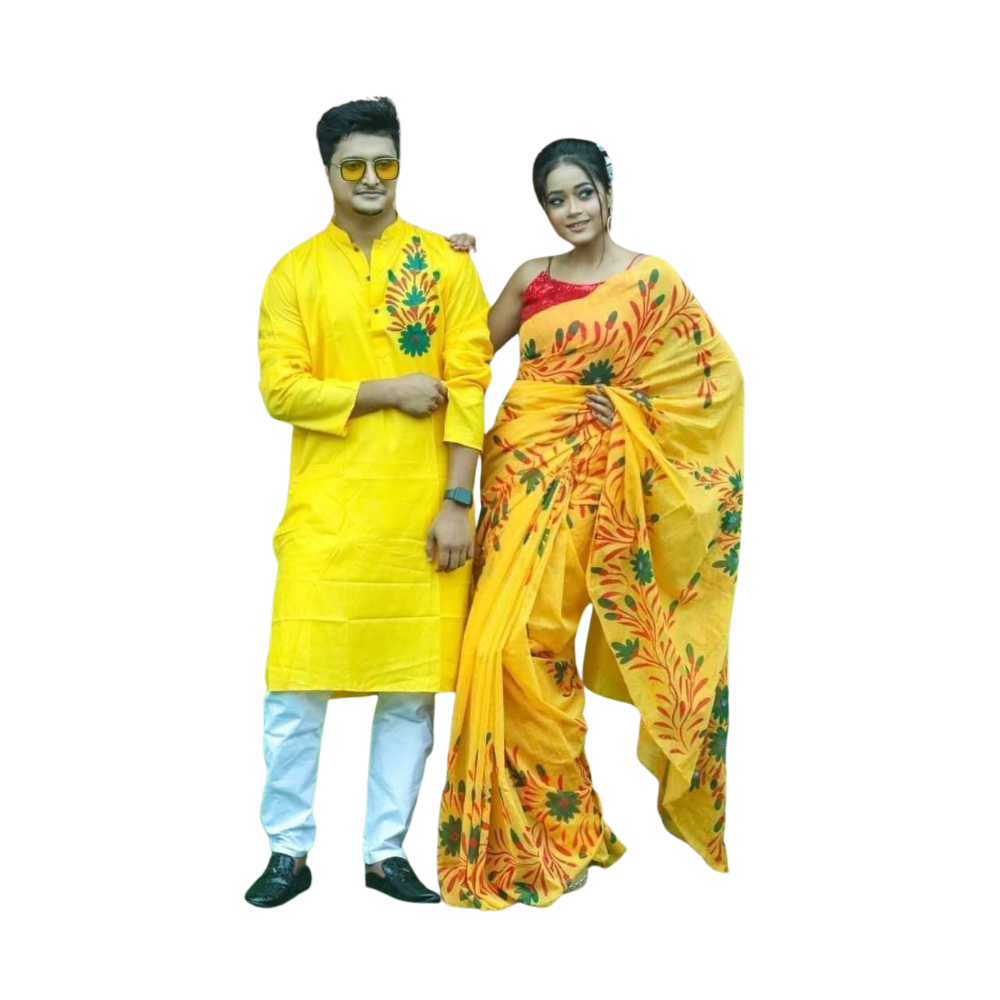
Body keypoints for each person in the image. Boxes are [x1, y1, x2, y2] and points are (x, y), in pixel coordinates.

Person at [437, 139, 744, 909]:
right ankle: (546, 831)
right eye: (555, 199)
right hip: (518, 471)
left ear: (608, 192)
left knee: (534, 641)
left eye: (582, 193)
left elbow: (715, 384)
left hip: (596, 482)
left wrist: (635, 409)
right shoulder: (531, 278)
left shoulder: (653, 280)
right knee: (491, 643)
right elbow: (463, 355)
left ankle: (562, 831)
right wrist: (443, 268)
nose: (571, 210)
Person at [245, 97, 492, 907]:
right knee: (295, 687)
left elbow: (468, 383)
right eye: (353, 165)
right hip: (327, 512)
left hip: (421, 507)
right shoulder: (293, 273)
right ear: (326, 170)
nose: (371, 179)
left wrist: (458, 499)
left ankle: (386, 854)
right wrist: (387, 390)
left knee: (409, 689)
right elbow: (281, 390)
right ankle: (287, 850)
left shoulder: (445, 264)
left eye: (385, 163)